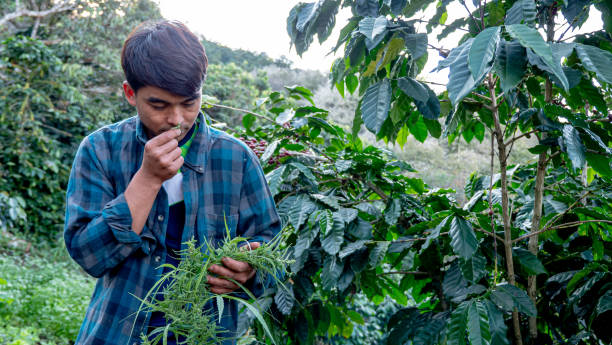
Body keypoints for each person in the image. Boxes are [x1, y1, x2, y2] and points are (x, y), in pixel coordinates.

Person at [64, 20, 281, 345]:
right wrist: (148, 178)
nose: (177, 120)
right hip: (115, 334)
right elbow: (88, 256)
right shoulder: (100, 150)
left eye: (189, 102)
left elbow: (269, 246)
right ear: (129, 93)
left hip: (203, 334)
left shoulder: (236, 159)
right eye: (158, 105)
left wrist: (248, 270)